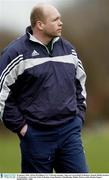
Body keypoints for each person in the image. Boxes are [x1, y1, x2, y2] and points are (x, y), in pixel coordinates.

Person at [0, 4, 88, 173]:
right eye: (55, 20)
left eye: (60, 18)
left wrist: (79, 117)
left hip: (70, 132)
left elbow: (80, 83)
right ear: (40, 25)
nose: (61, 23)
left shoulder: (69, 49)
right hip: (36, 136)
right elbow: (2, 94)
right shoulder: (15, 53)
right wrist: (21, 127)